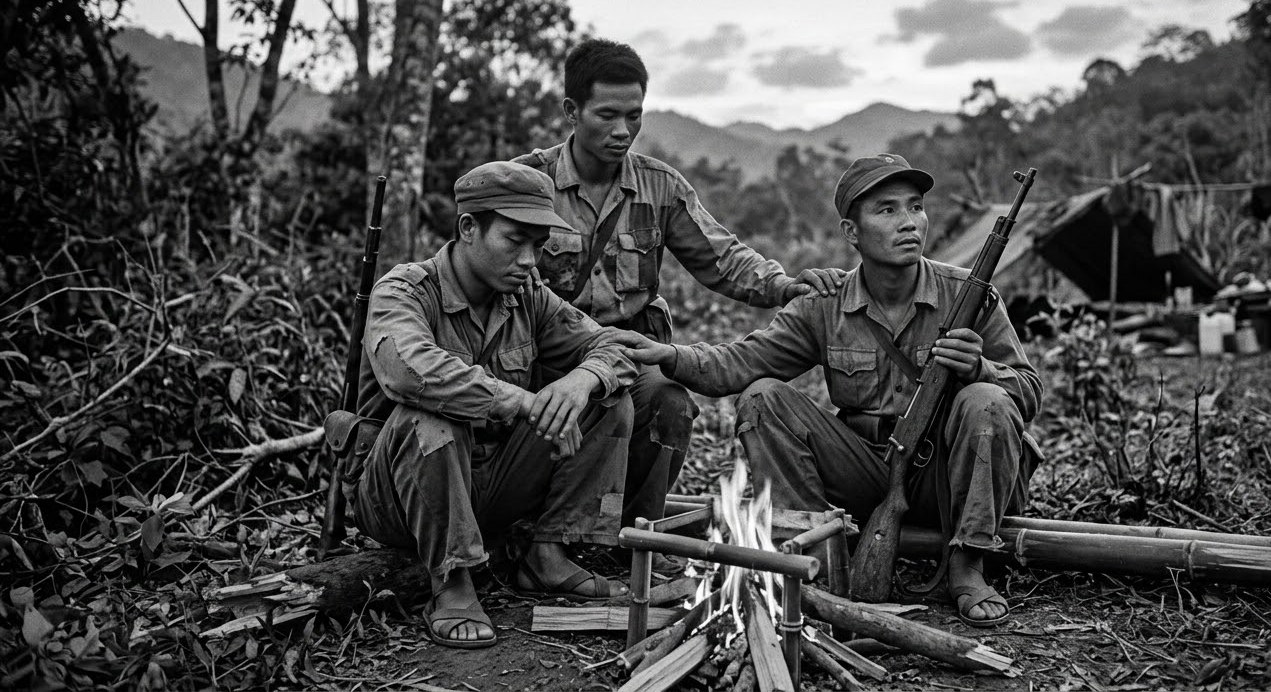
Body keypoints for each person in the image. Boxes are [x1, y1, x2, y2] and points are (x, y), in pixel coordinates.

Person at [604, 154, 1044, 628]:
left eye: (915, 207)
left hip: (949, 474)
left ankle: (968, 567)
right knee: (764, 398)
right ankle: (815, 551)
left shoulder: (968, 293)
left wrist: (979, 368)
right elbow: (741, 363)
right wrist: (670, 355)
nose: (909, 223)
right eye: (887, 210)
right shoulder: (825, 304)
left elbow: (1028, 389)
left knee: (987, 399)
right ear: (851, 233)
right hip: (869, 472)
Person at [513, 38, 844, 536]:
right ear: (571, 111)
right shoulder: (528, 183)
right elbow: (486, 265)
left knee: (670, 403)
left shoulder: (659, 186)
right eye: (606, 115)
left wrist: (783, 285)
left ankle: (633, 534)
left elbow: (722, 256)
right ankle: (546, 531)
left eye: (634, 115)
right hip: (543, 351)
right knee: (580, 409)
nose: (622, 131)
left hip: (629, 349)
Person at [350, 161, 638, 649]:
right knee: (432, 412)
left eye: (538, 245)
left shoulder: (528, 296)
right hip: (399, 493)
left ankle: (547, 554)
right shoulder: (404, 291)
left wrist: (583, 380)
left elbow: (613, 347)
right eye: (515, 240)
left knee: (607, 401)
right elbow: (410, 371)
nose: (530, 259)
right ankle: (452, 584)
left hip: (491, 483)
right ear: (468, 228)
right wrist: (522, 402)